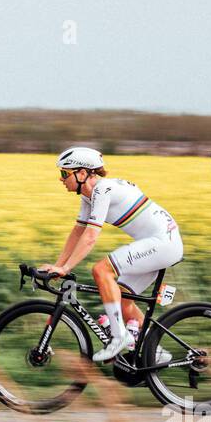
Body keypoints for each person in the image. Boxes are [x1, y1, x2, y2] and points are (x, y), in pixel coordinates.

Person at [41, 147, 183, 362]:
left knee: (101, 270)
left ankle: (119, 338)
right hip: (160, 242)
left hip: (163, 243)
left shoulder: (103, 190)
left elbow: (90, 237)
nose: (61, 179)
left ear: (82, 174)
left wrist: (66, 268)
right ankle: (157, 354)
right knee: (123, 298)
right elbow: (78, 232)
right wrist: (58, 266)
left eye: (64, 173)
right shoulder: (89, 196)